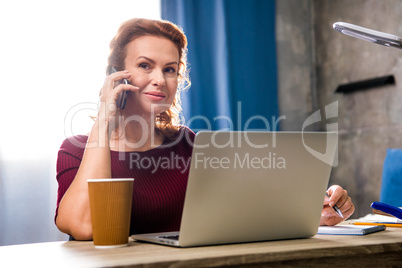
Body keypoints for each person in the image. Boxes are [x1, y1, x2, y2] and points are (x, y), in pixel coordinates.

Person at [55, 18, 355, 241]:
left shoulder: (188, 143)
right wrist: (105, 115)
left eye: (170, 69)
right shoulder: (77, 149)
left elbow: (243, 215)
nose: (160, 79)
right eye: (145, 65)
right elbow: (85, 227)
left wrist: (314, 214)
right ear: (116, 75)